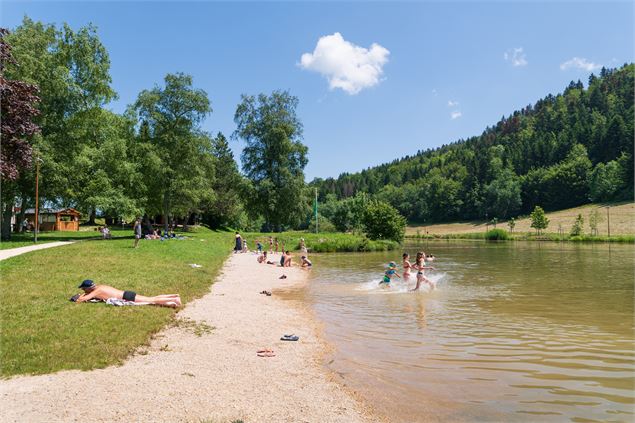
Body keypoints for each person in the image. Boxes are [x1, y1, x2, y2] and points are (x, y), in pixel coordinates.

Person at [74, 279, 181, 307]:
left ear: (88, 288)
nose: (83, 291)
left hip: (126, 297)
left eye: (84, 289)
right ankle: (173, 298)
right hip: (127, 293)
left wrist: (81, 296)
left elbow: (80, 300)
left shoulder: (97, 291)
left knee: (151, 300)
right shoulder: (101, 286)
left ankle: (174, 300)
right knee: (150, 299)